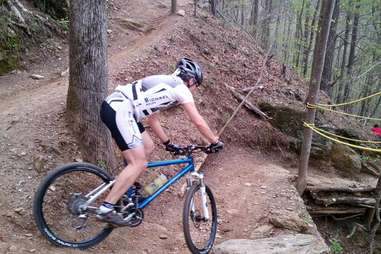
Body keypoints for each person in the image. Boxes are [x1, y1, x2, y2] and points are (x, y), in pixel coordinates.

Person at [97, 58, 224, 226]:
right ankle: (106, 208)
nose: (195, 90)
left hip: (119, 108)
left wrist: (167, 143)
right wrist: (214, 141)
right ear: (191, 80)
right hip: (121, 109)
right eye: (196, 86)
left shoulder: (164, 85)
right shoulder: (180, 88)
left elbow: (152, 120)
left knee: (148, 146)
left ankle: (125, 187)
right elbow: (198, 121)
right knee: (139, 163)